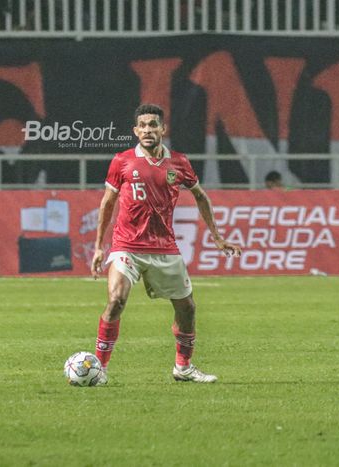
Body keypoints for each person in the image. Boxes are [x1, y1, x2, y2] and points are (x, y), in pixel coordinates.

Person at [90, 104, 242, 385]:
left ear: (163, 129)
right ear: (135, 131)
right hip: (127, 246)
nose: (148, 130)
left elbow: (201, 197)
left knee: (187, 309)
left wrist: (217, 237)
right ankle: (99, 367)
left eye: (153, 125)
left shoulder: (179, 163)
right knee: (116, 300)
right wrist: (100, 246)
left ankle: (183, 367)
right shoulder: (122, 161)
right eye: (143, 125)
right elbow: (107, 203)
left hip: (164, 248)